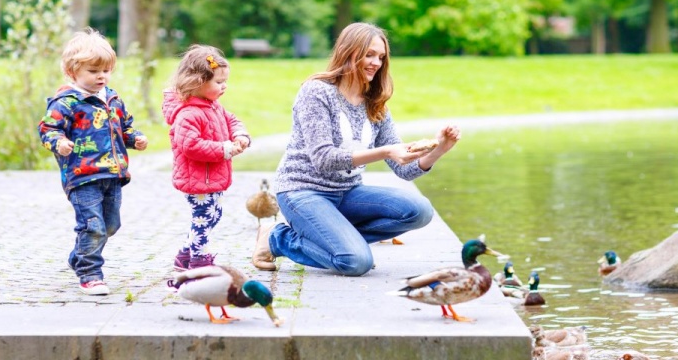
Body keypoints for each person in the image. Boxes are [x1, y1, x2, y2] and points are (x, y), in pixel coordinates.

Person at [252, 22, 461, 276]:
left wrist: (439, 149)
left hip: (348, 192)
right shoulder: (317, 92)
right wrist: (385, 151)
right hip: (303, 191)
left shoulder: (376, 103)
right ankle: (278, 239)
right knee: (355, 262)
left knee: (420, 211)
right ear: (349, 52)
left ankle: (343, 240)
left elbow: (403, 170)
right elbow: (324, 159)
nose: (376, 62)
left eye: (381, 57)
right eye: (369, 54)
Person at [38, 28, 149, 295]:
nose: (101, 76)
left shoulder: (112, 98)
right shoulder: (66, 102)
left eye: (106, 71)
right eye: (93, 71)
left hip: (113, 174)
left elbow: (124, 127)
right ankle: (90, 274)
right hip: (82, 175)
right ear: (72, 72)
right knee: (93, 226)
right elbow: (48, 129)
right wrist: (59, 142)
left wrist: (135, 138)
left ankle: (79, 256)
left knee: (110, 225)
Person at [162, 44, 251, 270]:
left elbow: (231, 120)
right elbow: (190, 145)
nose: (224, 87)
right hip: (197, 179)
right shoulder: (188, 113)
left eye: (225, 82)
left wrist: (239, 134)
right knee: (202, 218)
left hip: (212, 178)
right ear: (198, 82)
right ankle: (199, 260)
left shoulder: (212, 106)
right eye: (219, 82)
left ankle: (184, 255)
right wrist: (225, 149)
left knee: (213, 215)